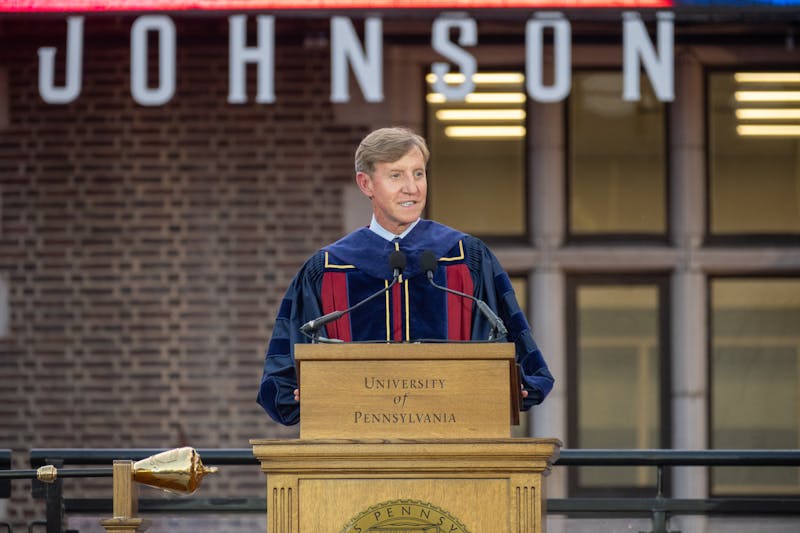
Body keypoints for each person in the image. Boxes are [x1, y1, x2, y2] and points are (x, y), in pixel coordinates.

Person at [257, 127, 554, 425]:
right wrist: (297, 391)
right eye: (396, 175)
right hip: (356, 456)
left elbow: (514, 352)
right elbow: (285, 376)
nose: (412, 188)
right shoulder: (328, 267)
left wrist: (516, 384)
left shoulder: (466, 257)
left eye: (418, 174)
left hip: (456, 448)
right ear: (366, 184)